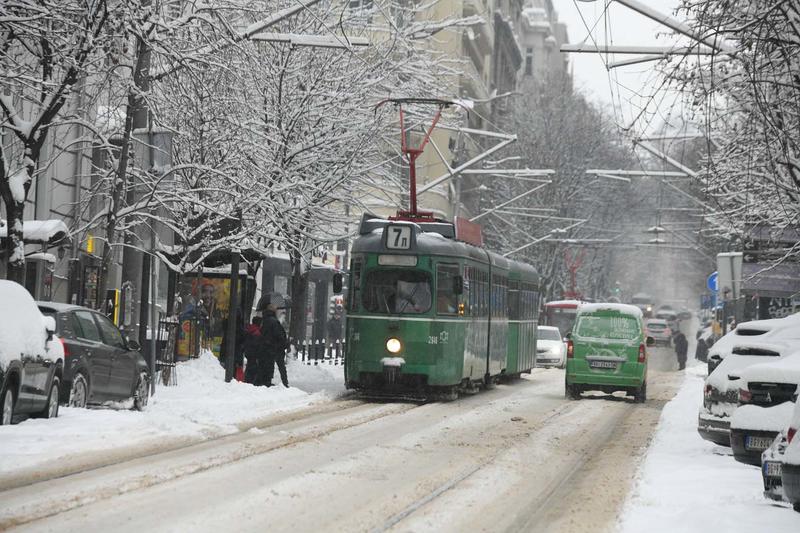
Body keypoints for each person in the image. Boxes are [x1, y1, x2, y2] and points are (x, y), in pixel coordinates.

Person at [262, 302, 290, 387]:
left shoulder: (265, 320)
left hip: (268, 346)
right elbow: (279, 335)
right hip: (276, 347)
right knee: (281, 366)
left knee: (269, 364)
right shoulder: (274, 321)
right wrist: (284, 343)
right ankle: (285, 383)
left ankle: (267, 380)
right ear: (274, 311)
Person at [242, 317, 271, 385]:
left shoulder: (249, 329)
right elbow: (257, 345)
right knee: (253, 368)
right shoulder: (257, 332)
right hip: (254, 354)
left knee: (249, 366)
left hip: (248, 352)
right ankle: (251, 382)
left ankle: (247, 380)